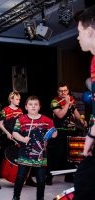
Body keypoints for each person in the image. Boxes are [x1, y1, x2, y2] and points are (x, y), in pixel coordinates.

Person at [12, 96, 57, 200]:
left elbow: (54, 133)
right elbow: (14, 133)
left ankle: (40, 198)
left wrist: (54, 133)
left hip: (40, 156)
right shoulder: (21, 119)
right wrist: (23, 139)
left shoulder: (47, 120)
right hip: (25, 154)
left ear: (39, 107)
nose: (33, 106)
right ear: (26, 107)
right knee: (20, 177)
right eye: (30, 104)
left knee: (41, 180)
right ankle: (16, 197)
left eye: (36, 104)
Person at [0, 91, 36, 189]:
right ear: (11, 99)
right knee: (0, 158)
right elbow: (0, 124)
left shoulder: (20, 110)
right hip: (7, 136)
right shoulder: (5, 110)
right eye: (17, 99)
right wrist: (8, 133)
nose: (19, 101)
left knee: (26, 156)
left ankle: (28, 178)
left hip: (17, 137)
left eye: (19, 99)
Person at [74, 5, 95, 199]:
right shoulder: (94, 62)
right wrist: (91, 134)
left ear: (89, 31)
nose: (78, 37)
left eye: (79, 32)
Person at [47, 83, 86, 185]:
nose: (63, 92)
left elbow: (75, 111)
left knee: (72, 154)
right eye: (61, 91)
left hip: (72, 130)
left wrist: (82, 120)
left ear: (68, 91)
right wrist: (67, 103)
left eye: (65, 90)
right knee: (58, 154)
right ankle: (49, 177)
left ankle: (69, 177)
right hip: (60, 131)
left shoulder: (71, 99)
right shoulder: (54, 101)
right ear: (58, 92)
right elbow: (60, 115)